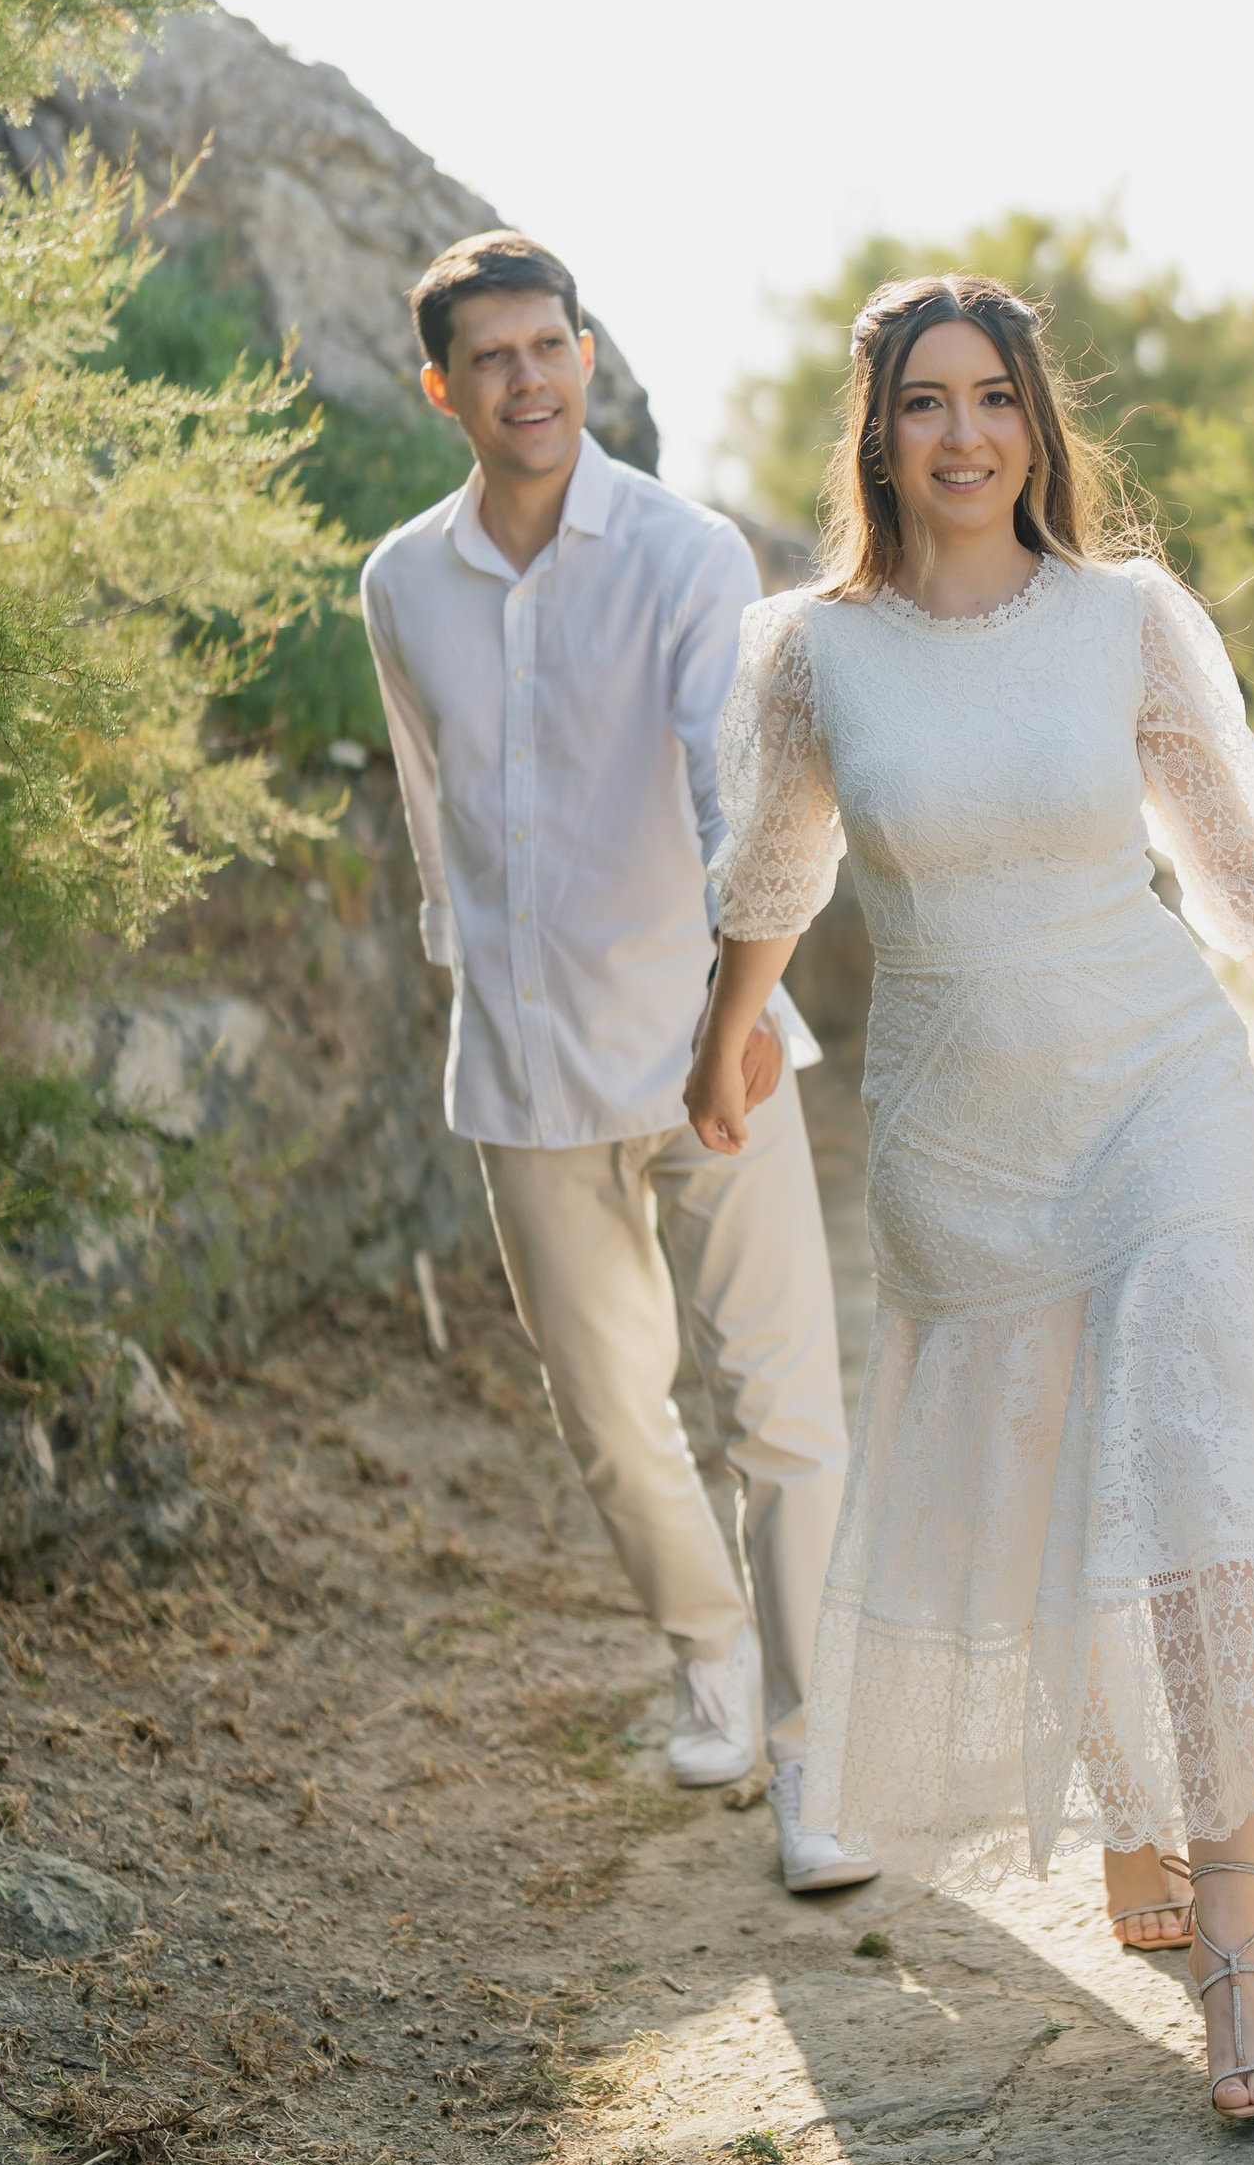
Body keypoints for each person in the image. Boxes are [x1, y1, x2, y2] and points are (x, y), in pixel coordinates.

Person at [686, 272, 1254, 2119]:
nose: (964, 434)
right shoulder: (813, 653)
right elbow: (775, 860)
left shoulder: (1124, 619)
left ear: (1038, 422)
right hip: (961, 1131)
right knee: (1042, 1487)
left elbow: (1240, 865)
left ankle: (1244, 1937)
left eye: (996, 398)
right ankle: (1136, 1810)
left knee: (1193, 1478)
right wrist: (725, 1034)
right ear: (877, 433)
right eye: (927, 403)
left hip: (1159, 1091)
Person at [362, 230, 874, 1897]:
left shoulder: (682, 551)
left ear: (586, 355)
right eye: (492, 358)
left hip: (701, 1045)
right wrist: (467, 974)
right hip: (517, 1066)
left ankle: (816, 1766)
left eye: (551, 345)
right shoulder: (401, 583)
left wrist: (732, 1031)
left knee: (784, 1408)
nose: (529, 379)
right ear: (444, 388)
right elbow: (433, 812)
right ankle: (709, 1650)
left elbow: (738, 798)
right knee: (605, 1413)